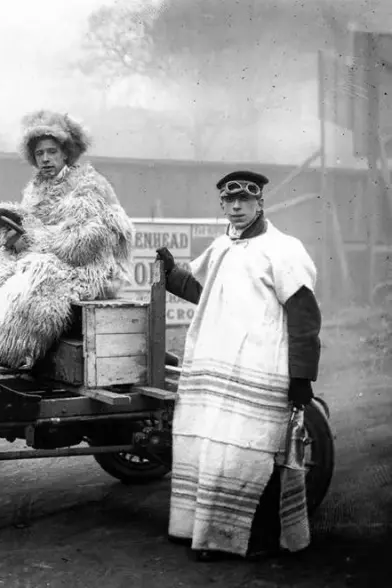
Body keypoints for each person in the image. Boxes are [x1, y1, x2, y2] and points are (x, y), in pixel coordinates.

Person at [155, 170, 322, 562]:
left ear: (260, 202)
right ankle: (207, 535)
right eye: (229, 202)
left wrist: (302, 377)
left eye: (244, 202)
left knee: (251, 454)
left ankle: (253, 539)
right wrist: (171, 273)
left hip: (261, 370)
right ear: (222, 205)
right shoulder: (222, 247)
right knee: (211, 449)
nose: (236, 208)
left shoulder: (284, 250)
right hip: (217, 370)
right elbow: (204, 291)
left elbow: (304, 316)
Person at [0, 110, 135, 369]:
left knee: (36, 274)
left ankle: (5, 353)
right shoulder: (36, 187)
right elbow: (29, 223)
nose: (45, 159)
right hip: (50, 254)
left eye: (51, 152)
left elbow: (84, 242)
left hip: (94, 269)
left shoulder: (88, 185)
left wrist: (31, 240)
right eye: (39, 154)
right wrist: (10, 232)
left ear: (66, 153)